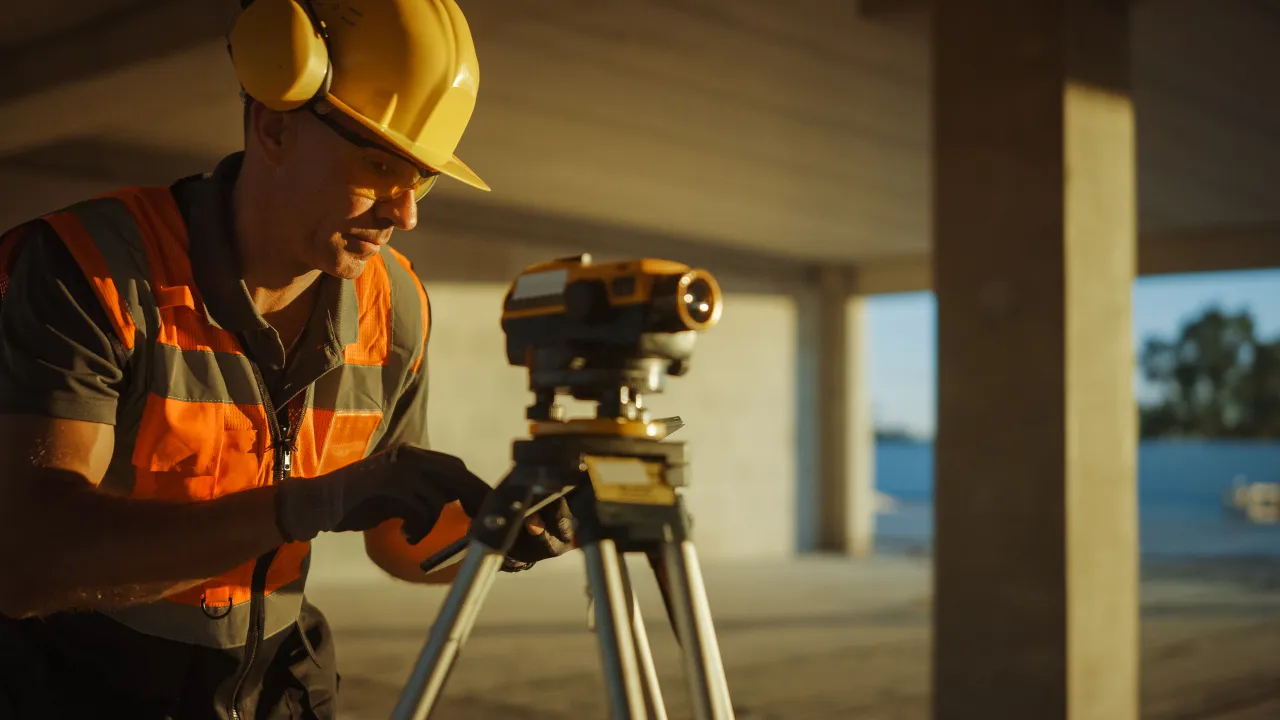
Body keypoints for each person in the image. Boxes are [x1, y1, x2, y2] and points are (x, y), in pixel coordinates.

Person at [0, 0, 574, 717]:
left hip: (281, 688)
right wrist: (308, 505)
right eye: (379, 164)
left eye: (422, 178)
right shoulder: (91, 273)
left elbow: (399, 542)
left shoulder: (393, 307)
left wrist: (501, 530)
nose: (406, 213)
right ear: (274, 126)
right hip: (80, 689)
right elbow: (29, 561)